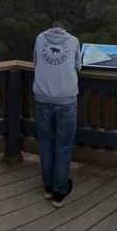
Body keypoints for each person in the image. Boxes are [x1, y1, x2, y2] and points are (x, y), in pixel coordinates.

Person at [32, 21, 81, 208]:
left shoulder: (39, 38)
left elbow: (36, 62)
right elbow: (79, 66)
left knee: (45, 143)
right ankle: (59, 192)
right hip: (66, 99)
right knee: (63, 146)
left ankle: (47, 186)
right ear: (65, 30)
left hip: (42, 97)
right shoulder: (73, 41)